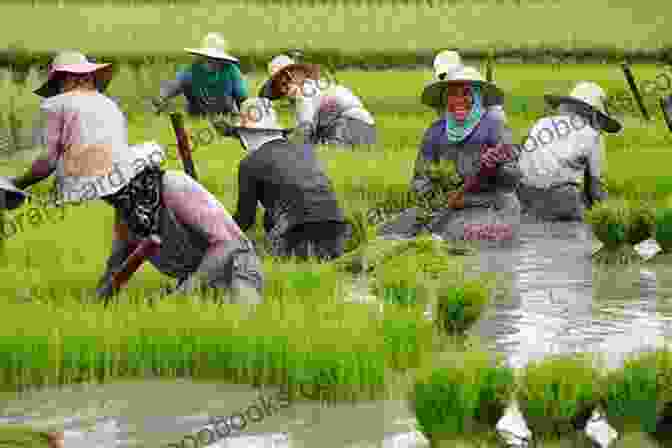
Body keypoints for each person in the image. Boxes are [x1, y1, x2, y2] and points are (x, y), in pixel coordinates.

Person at [10, 51, 263, 304]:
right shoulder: (126, 214)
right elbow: (114, 271)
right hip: (199, 286)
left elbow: (228, 245)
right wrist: (92, 304)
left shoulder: (173, 187)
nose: (106, 197)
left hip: (239, 273)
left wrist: (182, 295)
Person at [378, 65, 522, 242]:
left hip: (491, 207)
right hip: (446, 207)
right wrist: (438, 196)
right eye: (453, 94)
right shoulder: (435, 132)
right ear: (445, 99)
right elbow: (419, 179)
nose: (459, 100)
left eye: (466, 94)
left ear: (478, 98)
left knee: (461, 237)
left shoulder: (496, 128)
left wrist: (498, 167)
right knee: (388, 232)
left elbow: (513, 179)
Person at [219, 97, 349, 260]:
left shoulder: (250, 163)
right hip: (337, 225)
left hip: (298, 229)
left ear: (245, 135)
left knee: (270, 260)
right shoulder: (303, 150)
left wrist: (219, 234)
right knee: (271, 217)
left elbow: (246, 218)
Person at [515, 82, 621, 221]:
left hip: (524, 197)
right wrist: (609, 215)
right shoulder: (593, 135)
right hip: (562, 199)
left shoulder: (542, 123)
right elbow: (597, 187)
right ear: (594, 114)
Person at [267, 60, 377, 147]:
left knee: (319, 149)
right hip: (367, 130)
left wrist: (284, 142)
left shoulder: (305, 92)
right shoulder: (315, 87)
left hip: (349, 126)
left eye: (290, 80)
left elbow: (305, 130)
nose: (288, 88)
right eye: (283, 85)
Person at [152, 33, 248, 117]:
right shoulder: (192, 70)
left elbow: (242, 96)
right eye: (208, 58)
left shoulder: (231, 71)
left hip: (224, 114)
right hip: (196, 115)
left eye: (215, 58)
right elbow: (175, 85)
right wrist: (161, 97)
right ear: (203, 57)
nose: (211, 61)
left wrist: (244, 116)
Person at [433, 49, 507, 124]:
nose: (447, 78)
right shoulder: (440, 95)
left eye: (449, 74)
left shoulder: (474, 83)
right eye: (442, 76)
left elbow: (496, 116)